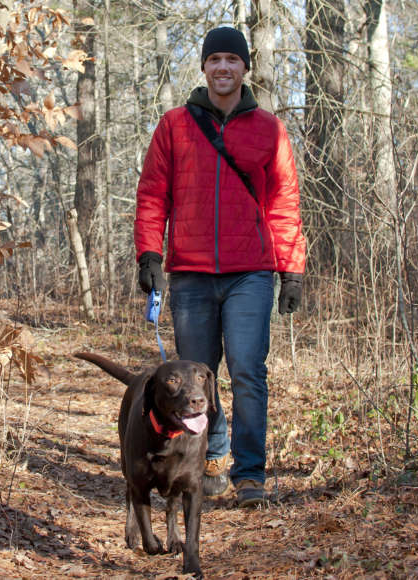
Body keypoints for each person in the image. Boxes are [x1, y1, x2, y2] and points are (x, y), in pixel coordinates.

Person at [133, 26, 306, 508]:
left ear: (245, 68)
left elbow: (285, 205)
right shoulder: (174, 125)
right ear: (204, 67)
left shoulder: (269, 130)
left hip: (251, 270)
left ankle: (249, 473)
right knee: (195, 379)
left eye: (233, 59)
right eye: (216, 60)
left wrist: (291, 271)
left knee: (249, 370)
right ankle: (210, 455)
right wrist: (149, 252)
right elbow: (152, 194)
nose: (224, 67)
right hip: (189, 273)